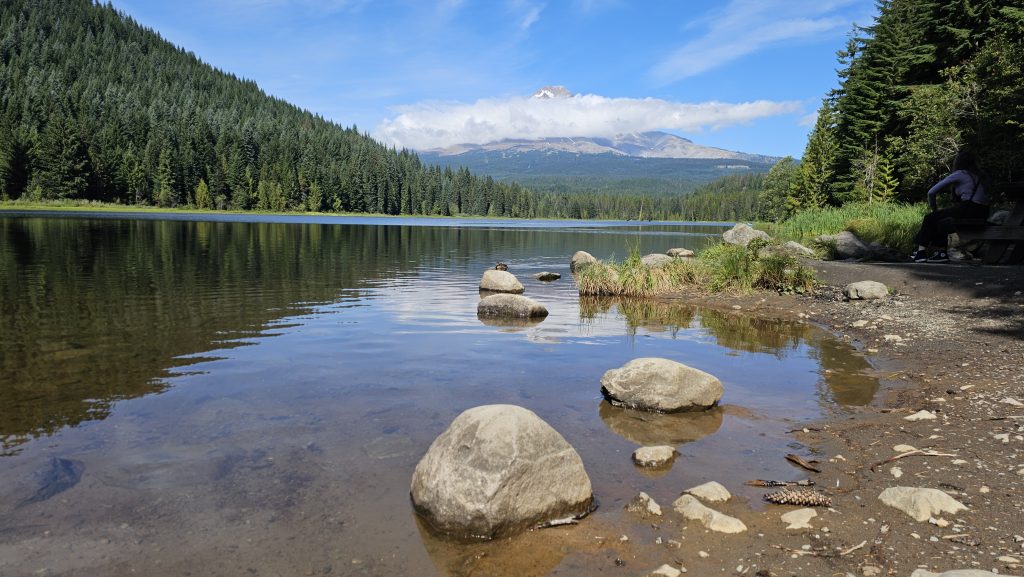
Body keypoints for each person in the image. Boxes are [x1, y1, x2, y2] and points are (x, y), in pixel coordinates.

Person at [910, 151, 990, 262]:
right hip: (983, 212)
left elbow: (931, 192)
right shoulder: (981, 176)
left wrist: (934, 209)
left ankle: (921, 253)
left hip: (968, 208)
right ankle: (941, 254)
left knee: (930, 218)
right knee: (942, 222)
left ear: (959, 162)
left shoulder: (961, 174)